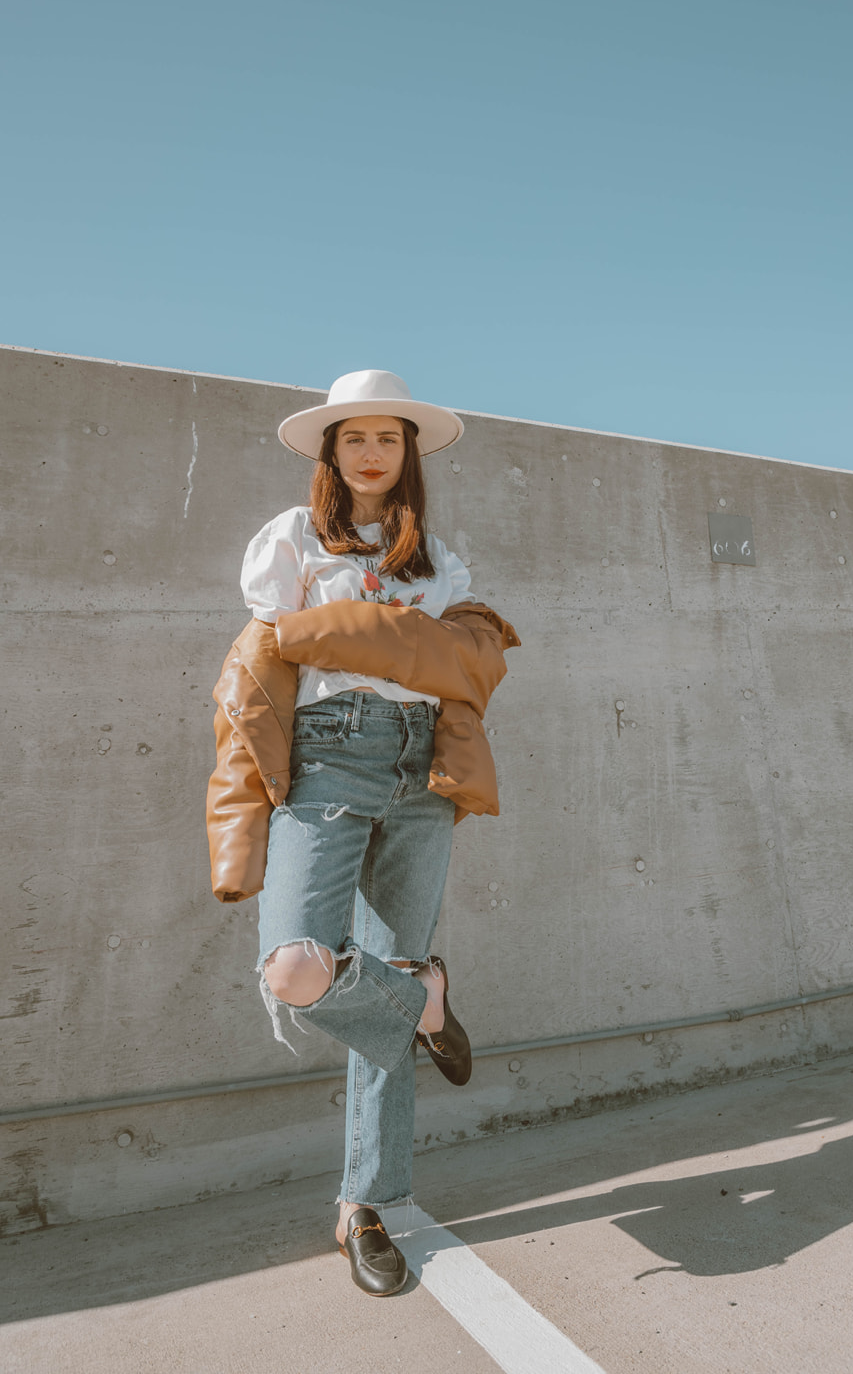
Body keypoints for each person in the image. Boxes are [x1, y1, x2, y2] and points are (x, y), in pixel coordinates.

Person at [205, 369, 519, 1296]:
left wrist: (353, 632)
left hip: (420, 762)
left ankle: (366, 1206)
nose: (372, 452)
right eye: (355, 438)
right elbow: (275, 652)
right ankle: (423, 999)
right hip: (327, 757)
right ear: (331, 451)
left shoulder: (436, 557)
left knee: (378, 1001)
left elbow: (459, 663)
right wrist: (381, 638)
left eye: (388, 438)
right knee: (296, 968)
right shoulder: (292, 538)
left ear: (406, 453)